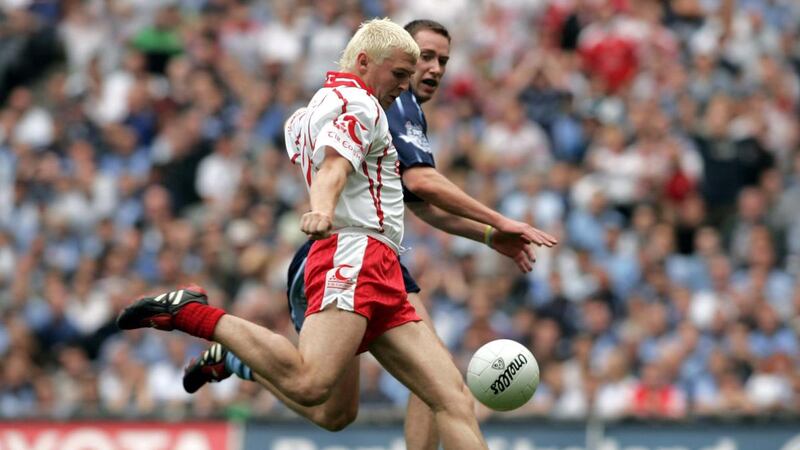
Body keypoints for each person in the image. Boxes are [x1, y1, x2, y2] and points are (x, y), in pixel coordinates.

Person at [180, 19, 557, 449]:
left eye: (442, 61)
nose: (430, 69)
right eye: (423, 57)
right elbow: (421, 182)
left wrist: (488, 237)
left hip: (359, 251)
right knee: (435, 388)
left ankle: (240, 357)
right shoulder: (385, 102)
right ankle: (219, 332)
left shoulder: (392, 103)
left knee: (338, 411)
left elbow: (419, 204)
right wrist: (500, 221)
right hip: (350, 251)